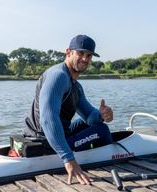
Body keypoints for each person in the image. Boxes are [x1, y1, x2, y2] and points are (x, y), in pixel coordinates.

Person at [23, 34, 114, 185]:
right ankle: (106, 162)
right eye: (80, 53)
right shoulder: (58, 76)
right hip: (43, 141)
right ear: (68, 52)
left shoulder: (76, 86)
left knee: (94, 124)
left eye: (89, 55)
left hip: (55, 135)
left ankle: (94, 154)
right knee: (102, 131)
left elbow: (90, 118)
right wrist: (68, 159)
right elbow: (48, 119)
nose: (85, 59)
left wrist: (103, 114)